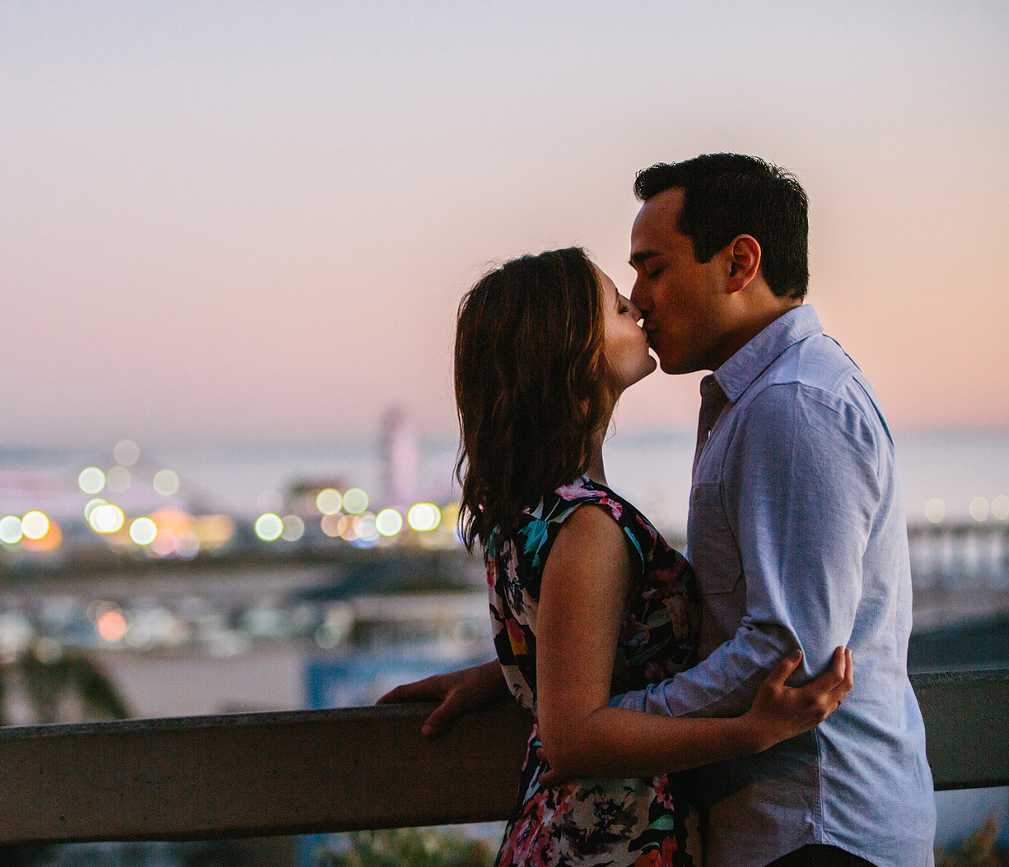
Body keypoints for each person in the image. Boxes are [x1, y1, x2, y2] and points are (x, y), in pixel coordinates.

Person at [381, 155, 937, 867]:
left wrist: (589, 715)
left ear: (738, 263)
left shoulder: (792, 408)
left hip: (818, 826)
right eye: (623, 292)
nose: (639, 298)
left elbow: (786, 650)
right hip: (751, 828)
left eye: (651, 269)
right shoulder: (737, 414)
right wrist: (525, 676)